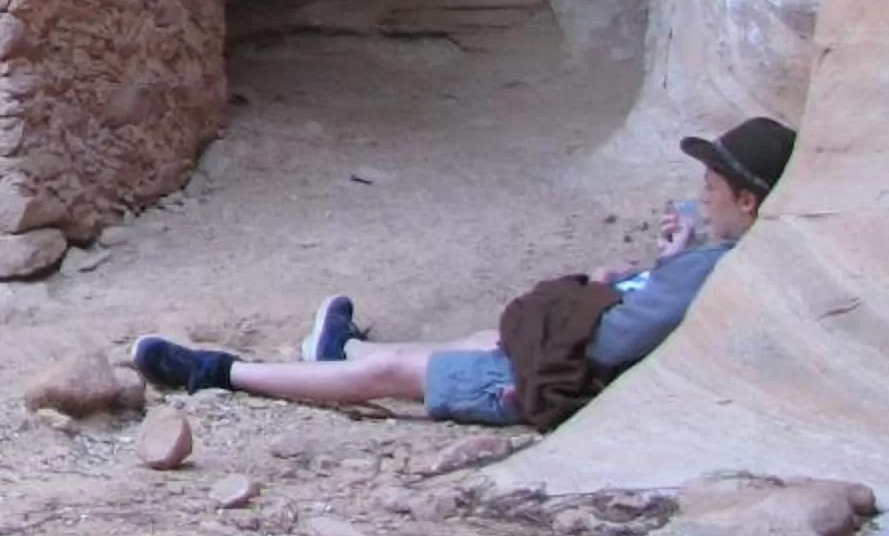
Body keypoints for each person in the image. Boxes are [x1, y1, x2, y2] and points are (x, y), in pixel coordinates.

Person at [129, 116, 795, 425]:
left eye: (713, 186)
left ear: (746, 200)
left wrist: (592, 295)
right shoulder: (715, 262)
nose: (702, 195)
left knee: (392, 378)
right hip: (553, 359)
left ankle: (218, 372)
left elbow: (619, 339)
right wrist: (664, 262)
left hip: (547, 378)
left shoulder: (718, 273)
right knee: (475, 343)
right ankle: (340, 350)